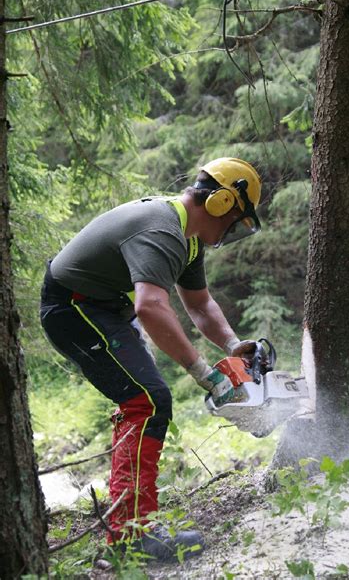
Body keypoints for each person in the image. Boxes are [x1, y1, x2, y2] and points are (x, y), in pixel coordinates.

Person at [39, 157, 262, 561]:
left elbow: (199, 304)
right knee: (147, 400)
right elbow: (151, 307)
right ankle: (129, 536)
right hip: (73, 308)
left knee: (146, 399)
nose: (229, 233)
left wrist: (233, 347)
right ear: (219, 202)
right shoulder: (162, 229)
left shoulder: (188, 238)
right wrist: (203, 373)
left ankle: (132, 526)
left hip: (101, 307)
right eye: (235, 221)